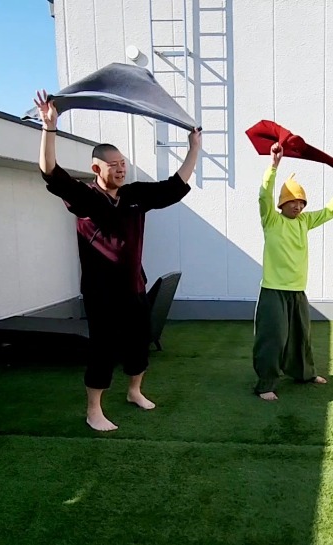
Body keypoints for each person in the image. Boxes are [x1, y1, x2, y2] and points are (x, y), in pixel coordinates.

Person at [34, 89, 201, 431]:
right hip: (101, 294)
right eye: (114, 165)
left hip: (134, 287)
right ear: (96, 168)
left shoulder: (134, 195)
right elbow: (50, 172)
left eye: (123, 164)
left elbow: (174, 187)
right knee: (103, 349)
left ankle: (134, 391)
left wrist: (193, 148)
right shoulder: (85, 198)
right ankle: (94, 410)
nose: (122, 169)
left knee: (139, 343)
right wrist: (49, 128)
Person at [253, 143, 333, 400]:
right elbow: (264, 195)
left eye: (301, 202)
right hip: (273, 291)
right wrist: (273, 166)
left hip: (297, 291)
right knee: (273, 338)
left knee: (301, 337)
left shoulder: (305, 221)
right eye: (293, 202)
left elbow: (330, 211)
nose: (298, 207)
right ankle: (266, 384)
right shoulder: (271, 219)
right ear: (282, 204)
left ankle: (305, 374)